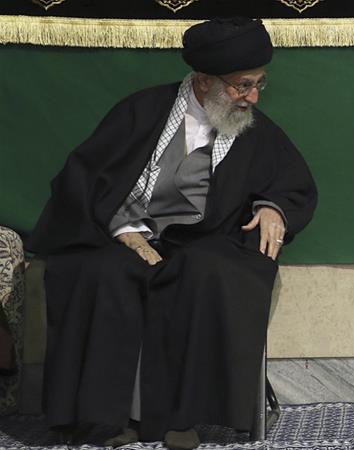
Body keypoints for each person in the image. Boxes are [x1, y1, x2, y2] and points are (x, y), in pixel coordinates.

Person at [25, 17, 317, 449]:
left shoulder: (256, 131)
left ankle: (182, 418)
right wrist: (126, 229)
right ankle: (106, 419)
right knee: (101, 273)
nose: (253, 97)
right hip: (121, 234)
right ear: (203, 81)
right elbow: (85, 180)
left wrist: (273, 208)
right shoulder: (140, 112)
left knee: (207, 272)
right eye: (242, 86)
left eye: (258, 84)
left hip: (203, 242)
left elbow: (290, 184)